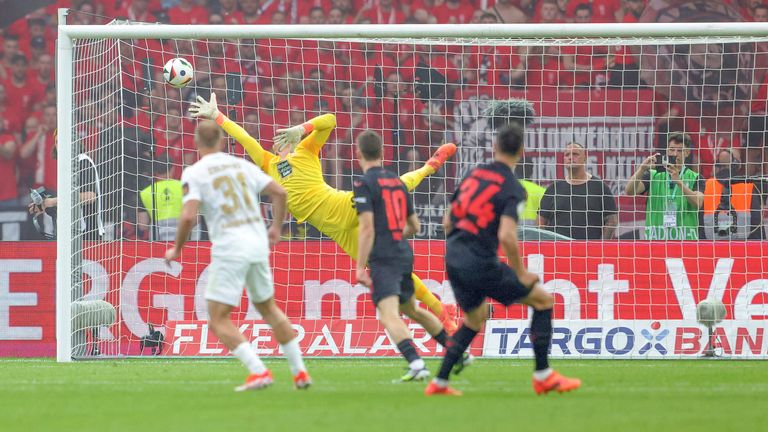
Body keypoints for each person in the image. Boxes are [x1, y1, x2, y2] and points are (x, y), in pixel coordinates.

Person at [189, 93, 459, 333]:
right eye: (277, 139)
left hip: (340, 205)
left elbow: (330, 120)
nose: (278, 141)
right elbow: (245, 138)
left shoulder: (306, 150)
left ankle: (429, 166)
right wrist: (217, 116)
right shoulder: (268, 163)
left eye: (284, 137)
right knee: (386, 267)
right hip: (336, 232)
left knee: (393, 186)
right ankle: (443, 313)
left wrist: (300, 129)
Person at [425, 122, 582, 397]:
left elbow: (447, 220)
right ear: (521, 151)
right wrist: (521, 273)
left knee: (475, 318)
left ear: (494, 147)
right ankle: (543, 375)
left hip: (453, 257)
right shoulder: (512, 188)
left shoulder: (473, 175)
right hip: (480, 261)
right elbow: (508, 237)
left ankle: (439, 383)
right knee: (543, 301)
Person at [163, 120, 311, 391]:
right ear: (221, 140)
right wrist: (276, 228)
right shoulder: (242, 166)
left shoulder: (194, 173)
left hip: (231, 246)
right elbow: (280, 192)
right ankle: (300, 372)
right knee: (269, 309)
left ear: (196, 144)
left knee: (218, 318)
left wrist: (177, 248)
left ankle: (258, 371)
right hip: (256, 243)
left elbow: (188, 217)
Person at [354, 130, 469, 382]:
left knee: (388, 314)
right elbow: (414, 226)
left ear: (358, 153)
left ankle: (416, 363)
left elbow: (366, 228)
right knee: (412, 309)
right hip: (404, 253)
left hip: (384, 257)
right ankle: (457, 351)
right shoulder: (396, 181)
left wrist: (360, 266)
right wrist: (395, 235)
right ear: (382, 153)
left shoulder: (364, 185)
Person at [625, 132, 704, 240]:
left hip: (685, 242)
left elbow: (698, 203)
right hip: (656, 241)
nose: (675, 154)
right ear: (667, 151)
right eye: (671, 149)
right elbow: (630, 191)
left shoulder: (696, 177)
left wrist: (679, 182)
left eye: (679, 150)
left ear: (687, 152)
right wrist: (642, 169)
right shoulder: (654, 174)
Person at [538, 143, 618, 239]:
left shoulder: (599, 187)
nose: (570, 158)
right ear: (563, 160)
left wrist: (601, 246)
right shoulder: (554, 188)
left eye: (575, 154)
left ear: (585, 158)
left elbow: (612, 220)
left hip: (588, 250)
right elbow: (541, 220)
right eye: (567, 155)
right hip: (558, 250)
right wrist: (545, 244)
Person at [702, 148, 765, 240]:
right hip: (742, 248)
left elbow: (699, 221)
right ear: (737, 164)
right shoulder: (747, 186)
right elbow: (756, 223)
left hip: (712, 247)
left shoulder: (706, 185)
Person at [138, 156, 184, 241]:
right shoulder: (184, 187)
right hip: (182, 237)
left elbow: (143, 225)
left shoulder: (145, 192)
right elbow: (196, 219)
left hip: (157, 238)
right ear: (172, 169)